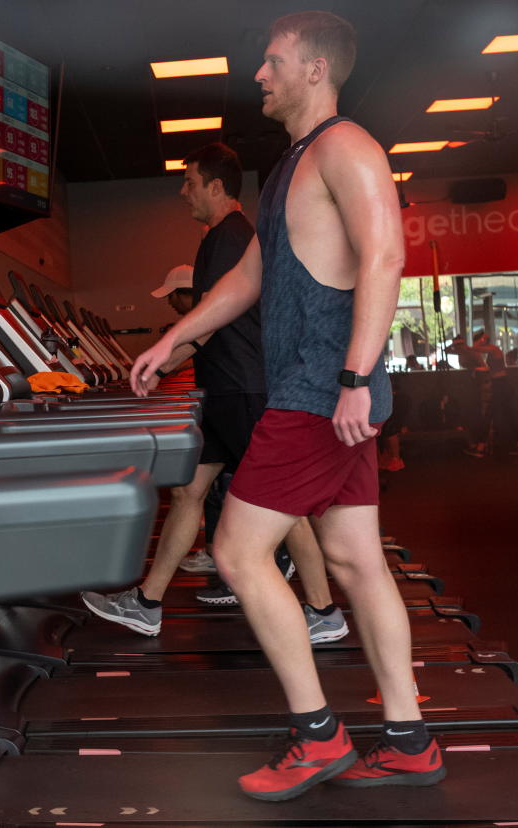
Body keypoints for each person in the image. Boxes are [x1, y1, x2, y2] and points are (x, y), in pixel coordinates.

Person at [129, 11, 443, 801]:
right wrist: (175, 340)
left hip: (320, 390)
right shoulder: (288, 170)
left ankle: (318, 736)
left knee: (237, 553)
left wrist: (354, 378)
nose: (259, 76)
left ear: (314, 70)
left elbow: (386, 255)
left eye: (272, 63)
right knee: (353, 561)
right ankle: (408, 740)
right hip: (322, 388)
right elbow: (246, 282)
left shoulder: (348, 148)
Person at [82, 142, 345, 645]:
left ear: (217, 187)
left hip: (242, 388)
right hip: (222, 389)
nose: (184, 193)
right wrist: (170, 362)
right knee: (188, 492)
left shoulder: (228, 236)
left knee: (281, 505)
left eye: (190, 183)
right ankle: (148, 602)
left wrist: (163, 360)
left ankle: (323, 609)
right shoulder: (225, 237)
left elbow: (209, 319)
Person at [466, 329, 518, 457]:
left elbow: (474, 348)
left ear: (483, 340)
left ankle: (480, 448)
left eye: (479, 340)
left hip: (500, 386)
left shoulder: (494, 349)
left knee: (489, 416)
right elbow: (490, 367)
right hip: (501, 385)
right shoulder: (492, 351)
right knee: (509, 416)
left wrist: (481, 338)